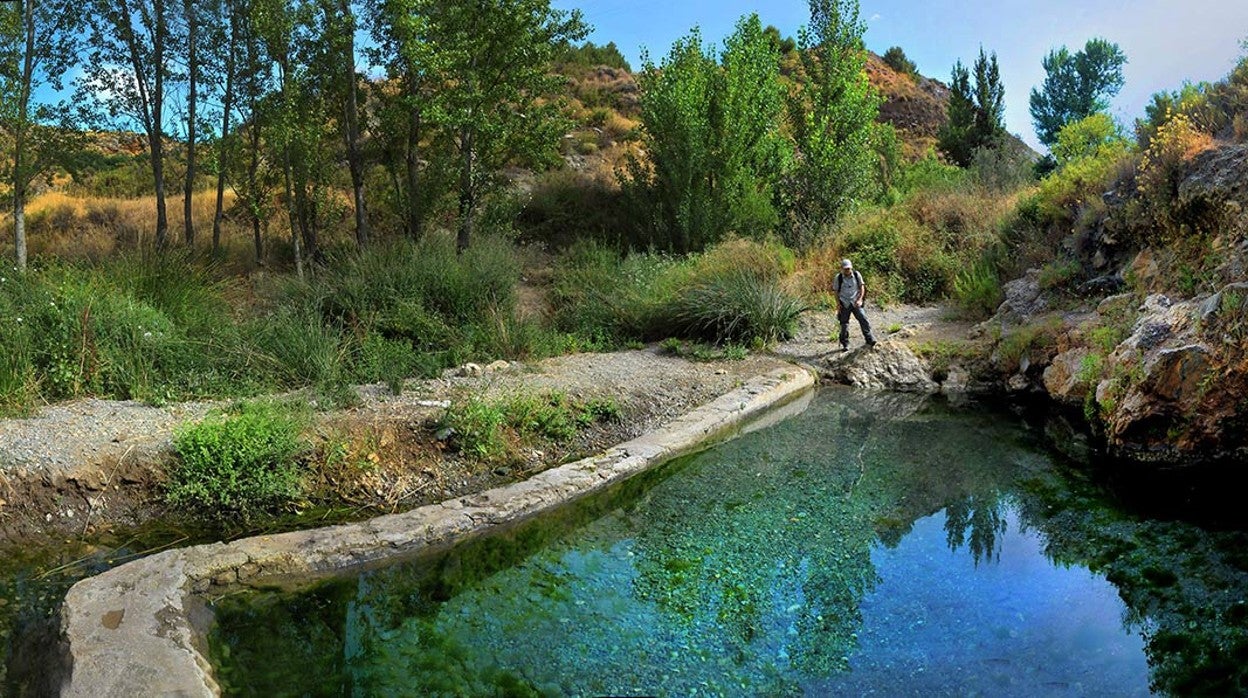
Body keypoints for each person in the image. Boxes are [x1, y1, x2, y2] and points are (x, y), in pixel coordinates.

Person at [835, 259, 876, 351]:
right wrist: (838, 304)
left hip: (855, 302)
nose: (847, 271)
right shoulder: (838, 278)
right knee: (844, 325)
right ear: (841, 269)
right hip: (844, 303)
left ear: (851, 268)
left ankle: (869, 338)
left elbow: (862, 287)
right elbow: (836, 292)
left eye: (848, 269)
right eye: (845, 269)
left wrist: (860, 299)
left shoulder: (857, 275)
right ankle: (845, 343)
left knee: (863, 319)